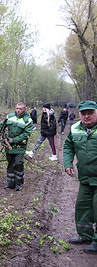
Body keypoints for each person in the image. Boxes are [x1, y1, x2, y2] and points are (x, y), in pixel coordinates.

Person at [63, 100, 97, 254]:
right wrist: (67, 163)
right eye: (84, 113)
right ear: (79, 114)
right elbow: (68, 146)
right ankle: (85, 235)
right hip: (85, 177)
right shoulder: (75, 128)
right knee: (82, 207)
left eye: (90, 113)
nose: (87, 116)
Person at [0, 102, 33, 191]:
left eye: (20, 109)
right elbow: (1, 125)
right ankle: (10, 183)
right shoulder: (10, 116)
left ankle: (18, 183)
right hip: (8, 145)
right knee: (10, 163)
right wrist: (1, 136)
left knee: (18, 163)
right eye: (17, 108)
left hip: (20, 146)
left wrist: (14, 140)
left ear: (24, 109)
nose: (18, 110)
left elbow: (26, 134)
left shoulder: (28, 120)